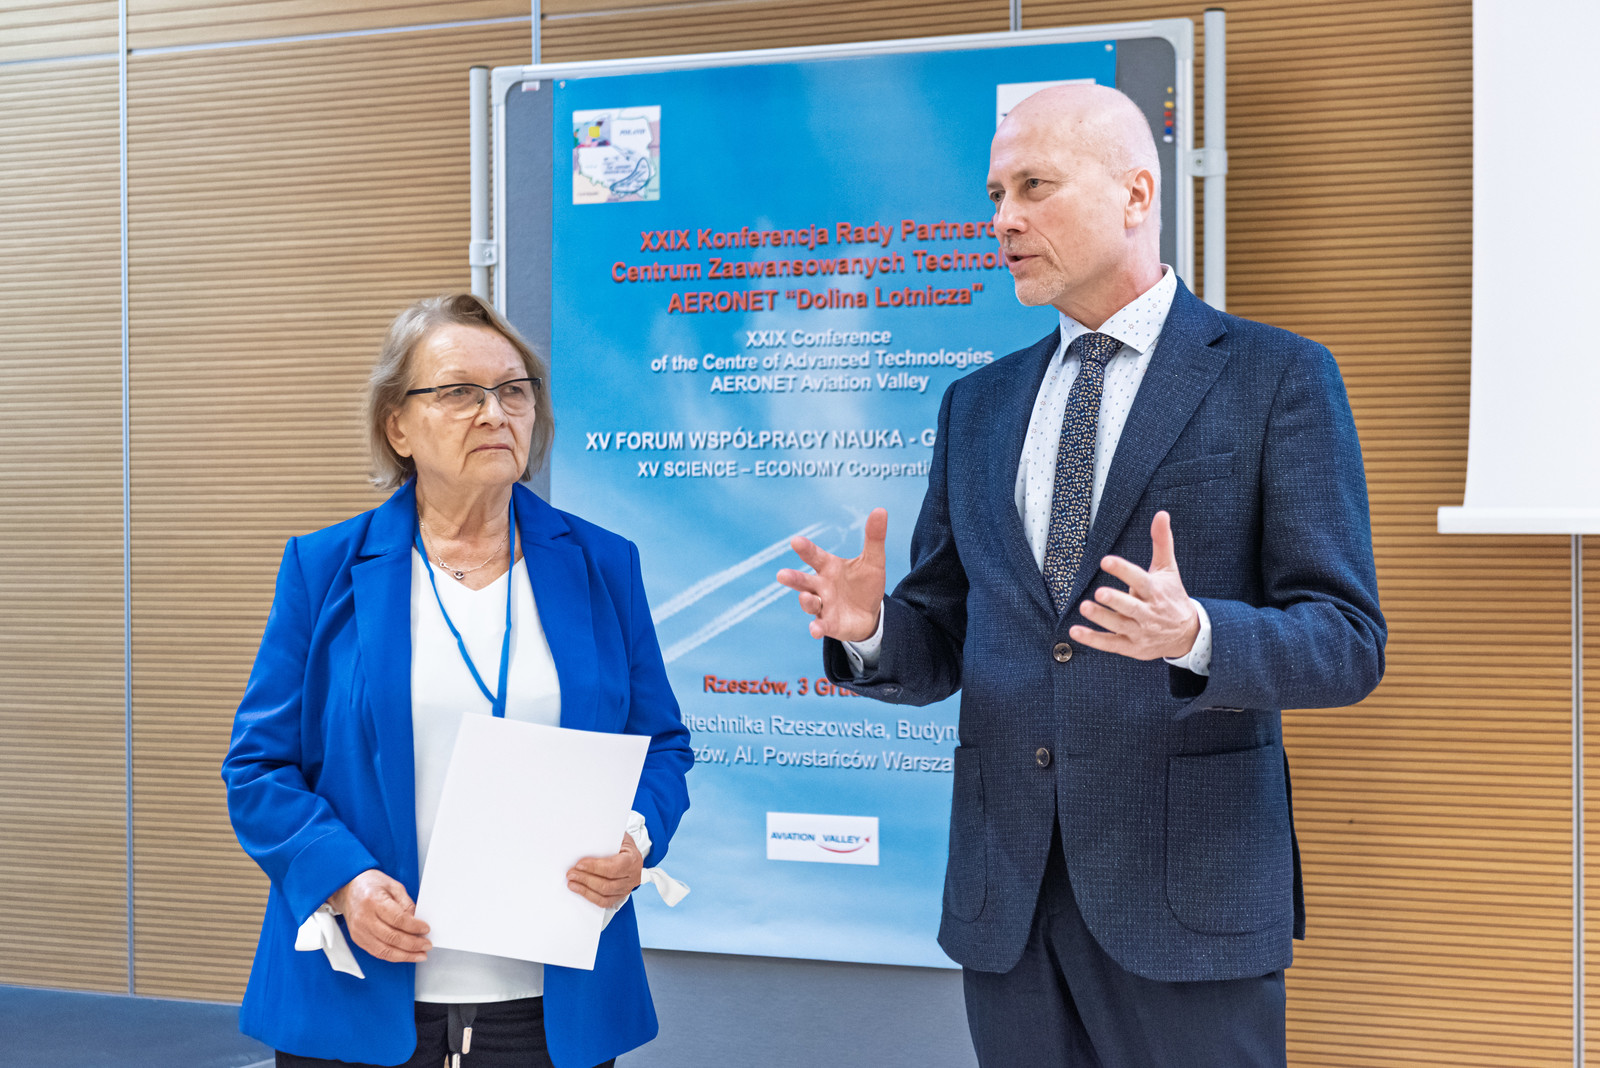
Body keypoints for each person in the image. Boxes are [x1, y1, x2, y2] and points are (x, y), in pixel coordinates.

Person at [776, 84, 1385, 1067]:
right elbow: (945, 636)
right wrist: (871, 629)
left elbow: (1347, 641)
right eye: (994, 194)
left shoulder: (1275, 376)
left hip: (1188, 900)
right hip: (1009, 903)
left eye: (1034, 187)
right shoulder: (977, 405)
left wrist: (1196, 636)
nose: (1002, 220)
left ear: (1135, 194)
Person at [223, 293, 692, 1068]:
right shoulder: (322, 568)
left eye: (513, 391)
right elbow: (258, 769)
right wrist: (344, 880)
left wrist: (636, 837)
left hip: (550, 1004)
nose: (495, 413)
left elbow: (663, 746)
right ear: (397, 427)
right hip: (361, 992)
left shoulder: (604, 565)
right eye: (460, 393)